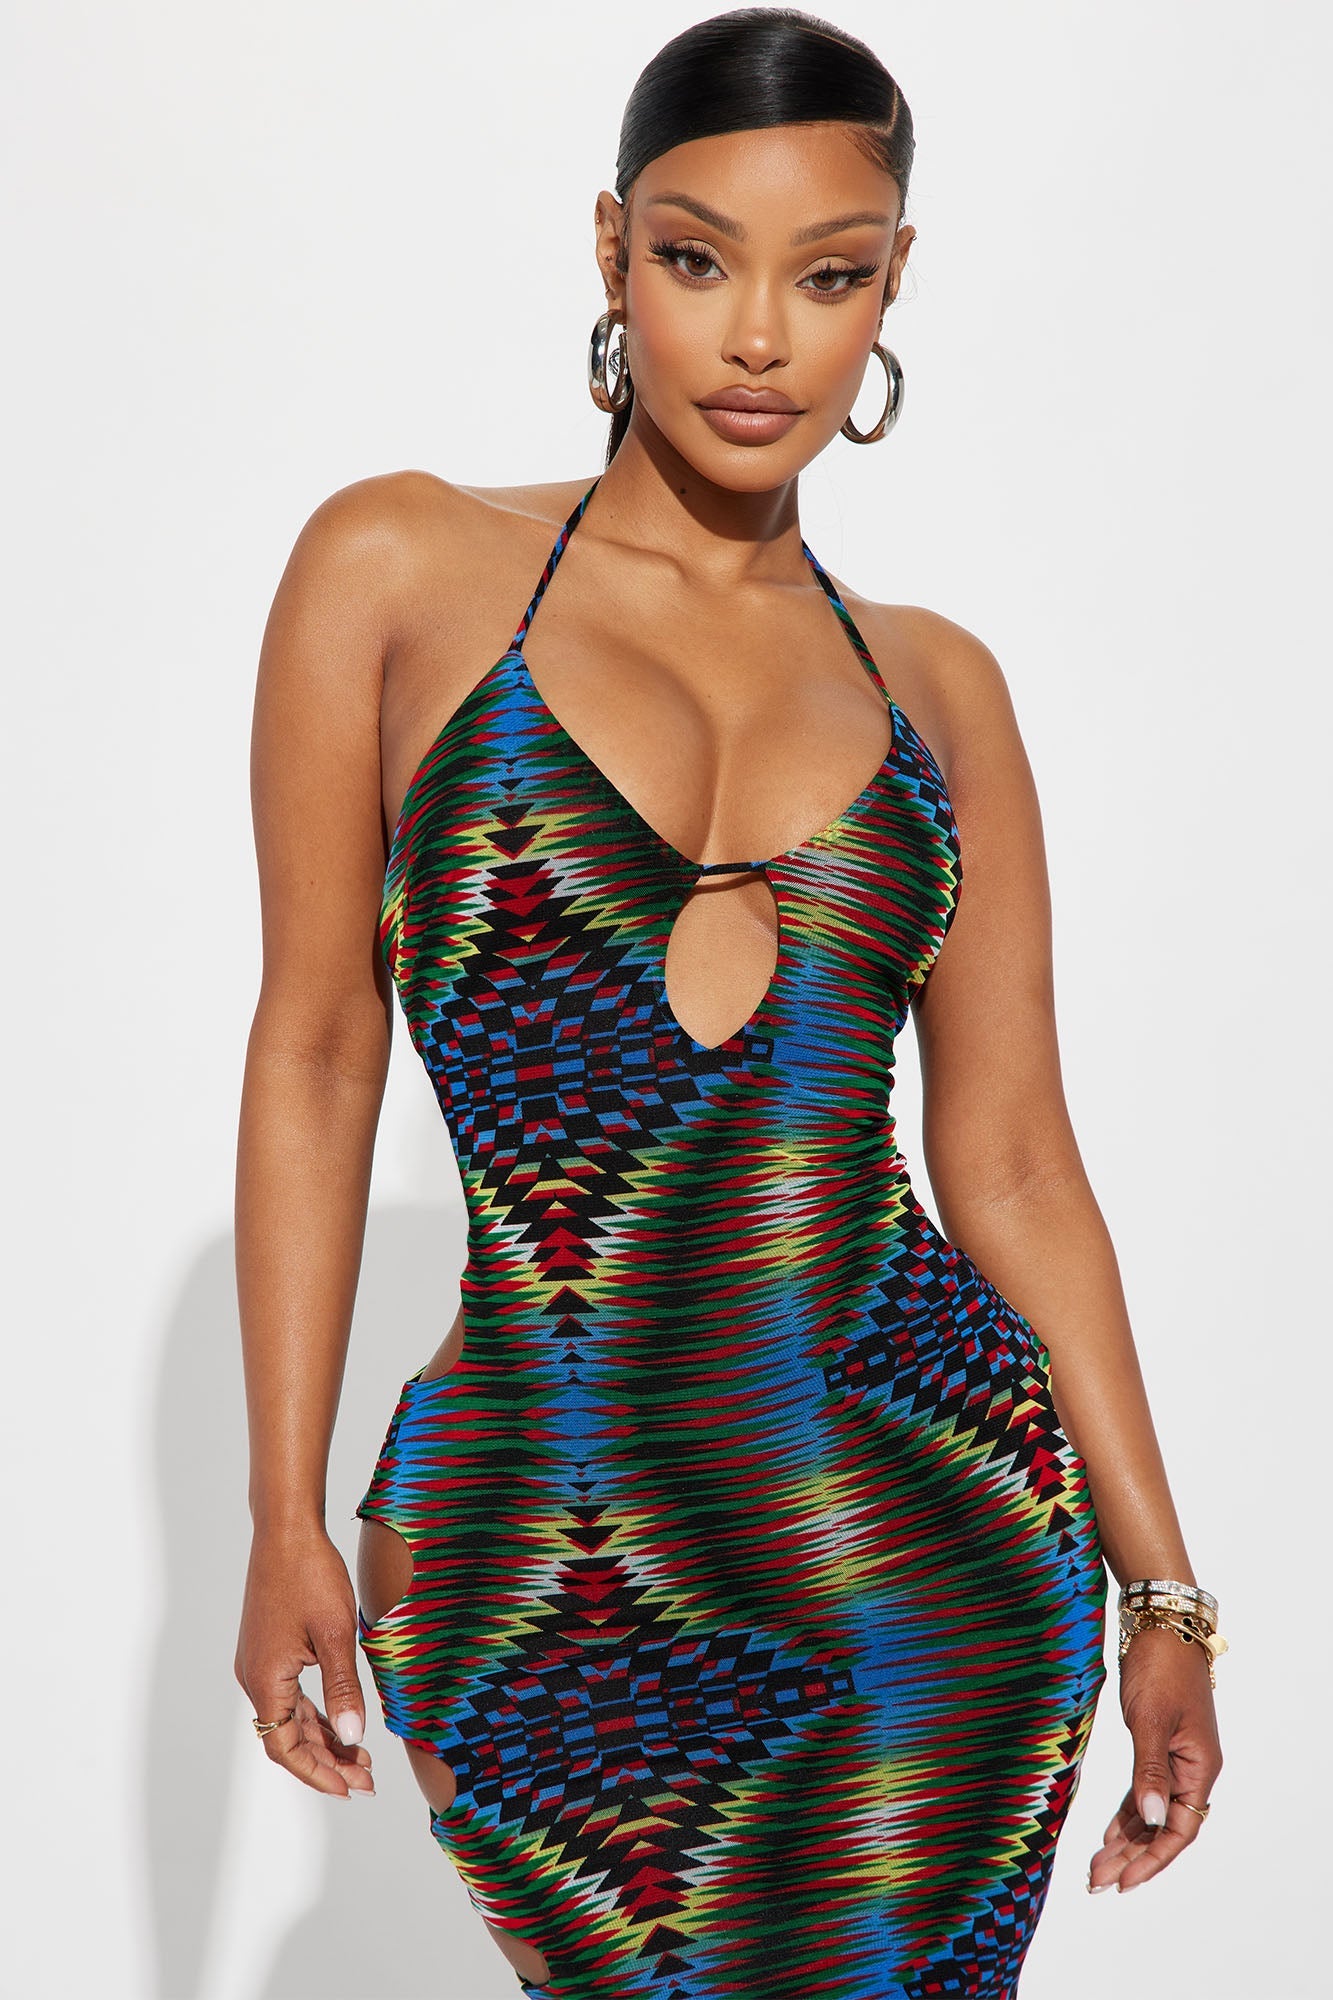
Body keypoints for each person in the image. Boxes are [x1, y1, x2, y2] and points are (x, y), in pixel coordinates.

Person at [233, 9, 1225, 1995]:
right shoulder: (398, 567)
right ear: (610, 251)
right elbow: (318, 1050)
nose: (759, 336)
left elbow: (1013, 1163)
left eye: (827, 275)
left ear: (892, 287)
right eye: (697, 258)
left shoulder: (937, 689)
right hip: (538, 1549)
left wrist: (1164, 1588)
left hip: (931, 1545)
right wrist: (279, 1514)